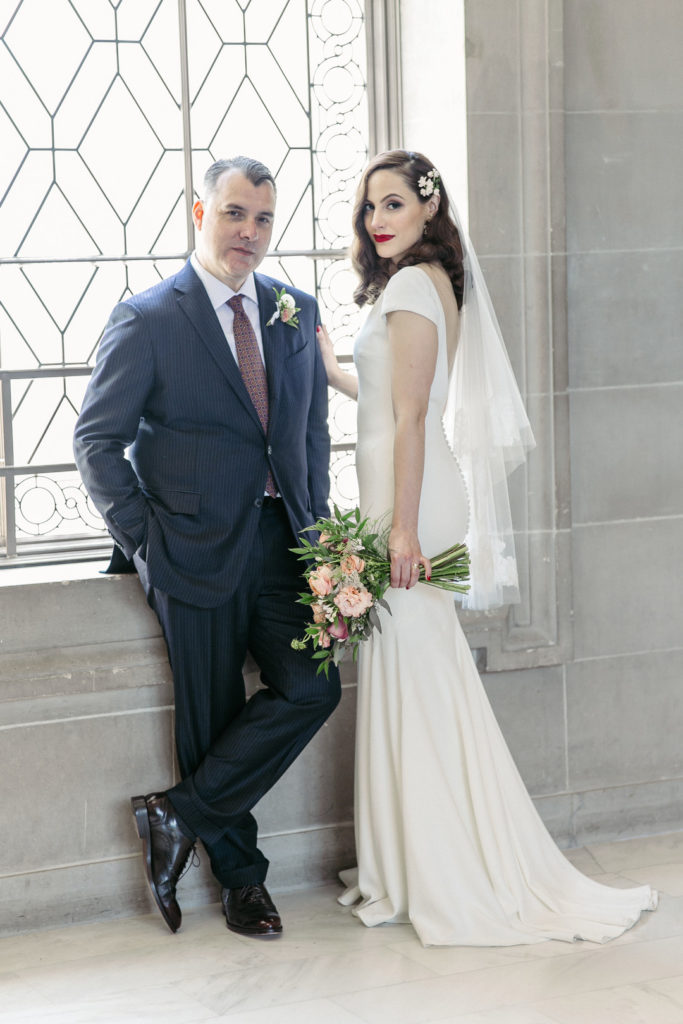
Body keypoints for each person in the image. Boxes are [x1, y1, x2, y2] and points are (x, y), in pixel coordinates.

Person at [317, 148, 656, 946]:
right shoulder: (427, 283)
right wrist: (331, 369)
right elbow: (396, 397)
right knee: (412, 674)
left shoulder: (410, 285)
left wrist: (399, 528)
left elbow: (408, 419)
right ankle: (408, 858)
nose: (379, 220)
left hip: (410, 503)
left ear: (428, 207)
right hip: (403, 495)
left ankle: (441, 865)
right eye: (371, 208)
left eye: (394, 203)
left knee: (419, 675)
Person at [74, 155, 341, 938]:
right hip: (187, 548)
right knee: (211, 714)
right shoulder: (150, 318)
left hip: (280, 542)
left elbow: (310, 436)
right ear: (201, 214)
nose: (248, 232)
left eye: (262, 218)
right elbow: (97, 442)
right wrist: (146, 539)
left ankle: (174, 813)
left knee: (311, 688)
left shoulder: (294, 310)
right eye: (234, 214)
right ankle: (241, 883)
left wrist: (318, 536)